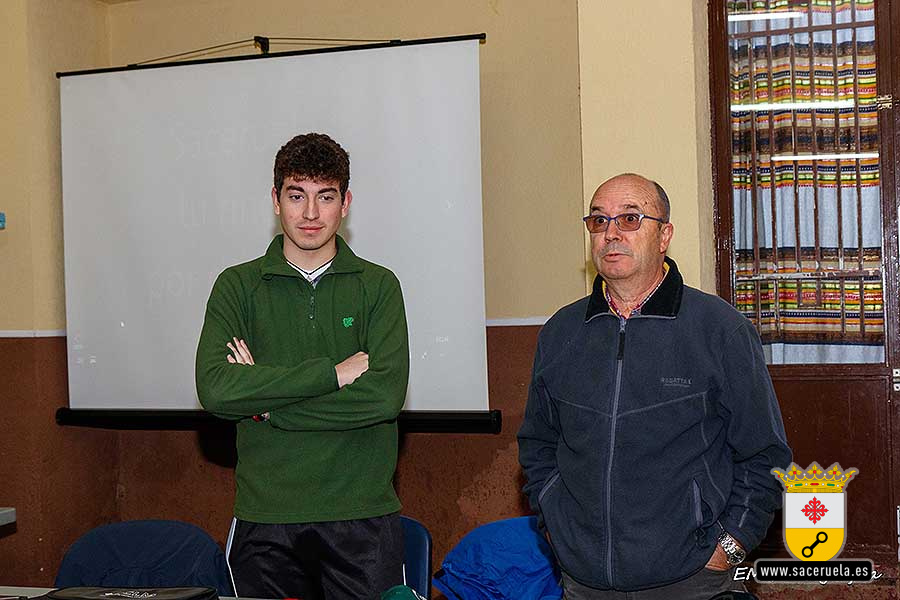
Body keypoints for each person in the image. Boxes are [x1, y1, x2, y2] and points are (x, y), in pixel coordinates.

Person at [517, 173, 791, 599]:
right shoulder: (561, 333)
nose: (611, 233)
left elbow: (765, 455)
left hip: (692, 579)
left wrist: (730, 546)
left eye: (629, 219)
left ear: (664, 236)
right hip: (584, 581)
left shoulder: (719, 330)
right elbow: (538, 445)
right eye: (599, 220)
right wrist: (556, 525)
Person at [195, 133, 410, 600]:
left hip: (363, 519)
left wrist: (267, 406)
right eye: (297, 196)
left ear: (345, 204)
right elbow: (216, 390)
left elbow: (383, 397)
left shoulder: (379, 287)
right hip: (265, 520)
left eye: (325, 197)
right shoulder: (237, 287)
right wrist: (332, 375)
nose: (311, 213)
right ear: (276, 200)